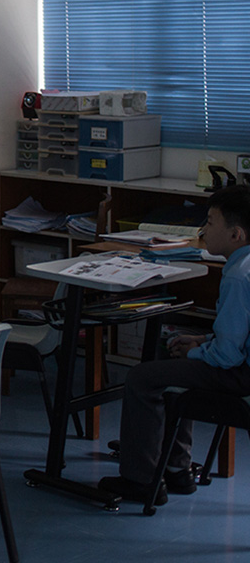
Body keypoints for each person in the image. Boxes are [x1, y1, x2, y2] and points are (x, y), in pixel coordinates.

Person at [99, 184, 250, 505]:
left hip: (241, 375)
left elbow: (226, 356)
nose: (202, 230)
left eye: (209, 222)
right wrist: (202, 341)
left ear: (236, 234)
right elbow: (239, 336)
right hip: (241, 364)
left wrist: (197, 351)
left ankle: (139, 479)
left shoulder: (239, 275)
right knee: (168, 352)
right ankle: (175, 468)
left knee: (142, 378)